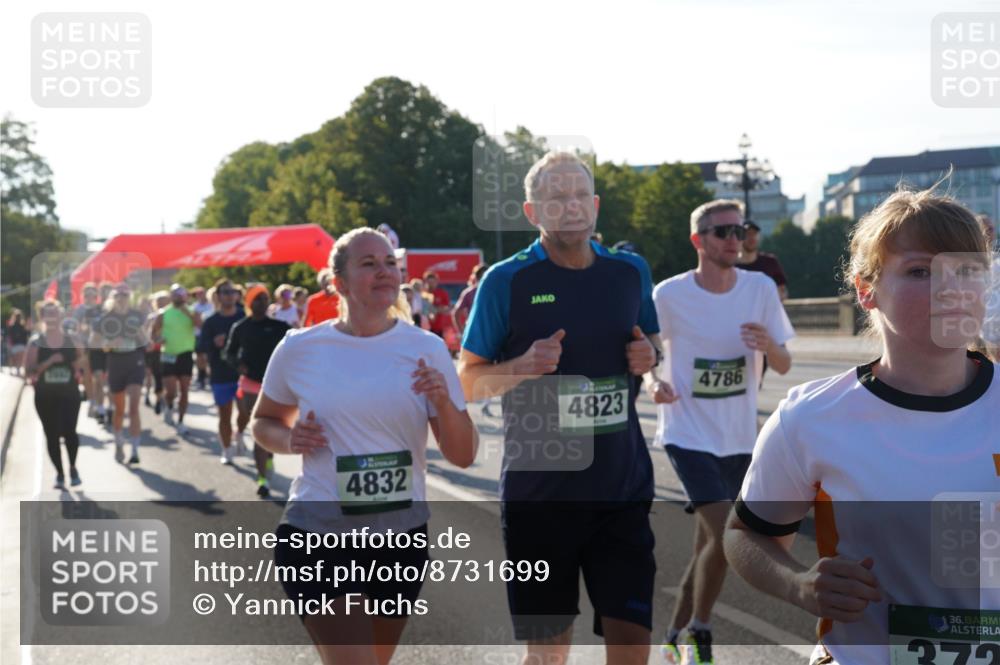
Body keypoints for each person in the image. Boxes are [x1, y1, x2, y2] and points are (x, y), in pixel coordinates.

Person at [725, 187, 998, 665]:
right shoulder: (811, 418)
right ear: (865, 290)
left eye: (967, 270)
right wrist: (799, 584)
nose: (951, 288)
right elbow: (744, 535)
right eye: (919, 271)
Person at [458, 151, 660, 665]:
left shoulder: (630, 271)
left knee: (633, 647)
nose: (569, 206)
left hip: (622, 490)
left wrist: (651, 355)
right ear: (532, 212)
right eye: (555, 197)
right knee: (549, 656)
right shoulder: (507, 281)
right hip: (541, 496)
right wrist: (523, 365)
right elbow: (468, 382)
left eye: (577, 195)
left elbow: (653, 342)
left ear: (594, 205)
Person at [252, 226, 476, 664]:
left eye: (390, 262)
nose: (384, 271)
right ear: (339, 282)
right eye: (369, 263)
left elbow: (463, 454)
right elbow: (263, 423)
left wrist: (444, 405)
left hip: (401, 535)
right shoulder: (300, 348)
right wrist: (290, 438)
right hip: (317, 532)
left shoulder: (426, 349)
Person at [650, 199, 795, 664]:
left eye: (741, 231)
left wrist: (768, 344)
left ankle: (672, 637)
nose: (736, 240)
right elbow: (649, 355)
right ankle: (700, 629)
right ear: (699, 240)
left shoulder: (759, 288)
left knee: (707, 545)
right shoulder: (668, 295)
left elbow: (785, 362)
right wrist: (655, 383)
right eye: (724, 232)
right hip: (687, 432)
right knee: (727, 533)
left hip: (738, 436)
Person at [225, 284, 290, 497]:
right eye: (257, 299)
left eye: (264, 298)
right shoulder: (240, 327)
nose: (261, 303)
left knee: (274, 429)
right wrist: (238, 365)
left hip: (275, 385)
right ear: (249, 303)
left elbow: (293, 352)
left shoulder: (281, 327)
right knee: (260, 431)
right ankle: (262, 479)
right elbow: (228, 353)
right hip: (251, 384)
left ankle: (268, 459)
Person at [24, 300, 84, 488]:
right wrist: (48, 362)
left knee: (70, 432)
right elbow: (28, 371)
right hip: (45, 396)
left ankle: (73, 468)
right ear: (42, 317)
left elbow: (82, 362)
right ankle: (59, 473)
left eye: (54, 314)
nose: (51, 318)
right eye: (47, 314)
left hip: (69, 394)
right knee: (51, 434)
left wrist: (78, 369)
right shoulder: (36, 343)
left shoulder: (72, 340)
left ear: (60, 316)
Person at [93, 284, 149, 464]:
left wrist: (145, 340)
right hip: (115, 363)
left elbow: (144, 339)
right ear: (113, 298)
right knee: (119, 409)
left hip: (134, 362)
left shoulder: (136, 315)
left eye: (125, 295)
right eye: (119, 295)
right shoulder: (106, 319)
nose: (122, 298)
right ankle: (118, 442)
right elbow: (97, 344)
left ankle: (134, 450)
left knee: (133, 406)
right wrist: (110, 344)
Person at [196, 278, 248, 464]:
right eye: (225, 292)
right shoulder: (211, 322)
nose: (229, 295)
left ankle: (240, 433)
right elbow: (201, 347)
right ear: (218, 296)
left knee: (246, 412)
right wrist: (213, 343)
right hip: (220, 373)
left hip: (243, 374)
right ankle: (226, 450)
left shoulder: (244, 317)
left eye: (232, 291)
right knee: (224, 415)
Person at [151, 284, 201, 435]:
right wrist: (160, 339)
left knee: (185, 390)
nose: (178, 298)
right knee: (171, 391)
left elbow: (200, 326)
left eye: (181, 295)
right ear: (171, 296)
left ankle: (181, 421)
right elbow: (153, 334)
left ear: (185, 296)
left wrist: (189, 314)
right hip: (169, 354)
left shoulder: (193, 311)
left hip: (186, 354)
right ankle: (169, 405)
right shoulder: (163, 313)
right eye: (175, 295)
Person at [74, 282, 109, 423]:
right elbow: (75, 328)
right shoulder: (79, 310)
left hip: (98, 347)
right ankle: (92, 400)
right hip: (84, 346)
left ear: (97, 296)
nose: (90, 297)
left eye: (92, 295)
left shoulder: (102, 309)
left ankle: (99, 404)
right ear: (83, 296)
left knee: (99, 377)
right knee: (87, 376)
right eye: (87, 295)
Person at [738, 219, 789, 300]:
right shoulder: (731, 266)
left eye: (754, 233)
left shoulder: (770, 262)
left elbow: (783, 292)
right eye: (748, 234)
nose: (752, 237)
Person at [143, 291, 169, 414]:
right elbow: (146, 333)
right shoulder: (151, 317)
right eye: (159, 302)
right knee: (149, 374)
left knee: (161, 376)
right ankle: (148, 394)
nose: (161, 304)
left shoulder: (171, 315)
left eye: (164, 301)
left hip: (166, 350)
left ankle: (160, 399)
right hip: (152, 350)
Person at [453, 263, 488, 335]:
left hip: (489, 330)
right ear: (476, 277)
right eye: (481, 275)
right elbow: (456, 313)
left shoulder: (494, 292)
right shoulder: (469, 293)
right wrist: (461, 332)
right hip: (473, 331)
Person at [192, 286, 215, 390]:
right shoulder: (194, 306)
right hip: (197, 335)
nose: (200, 295)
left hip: (208, 335)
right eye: (198, 293)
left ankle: (207, 376)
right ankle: (201, 377)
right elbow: (194, 321)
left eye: (202, 292)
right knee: (199, 357)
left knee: (207, 357)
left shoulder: (211, 305)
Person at [423, 272, 453, 339]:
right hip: (424, 328)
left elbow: (447, 309)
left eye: (433, 282)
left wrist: (434, 309)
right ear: (425, 282)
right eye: (429, 282)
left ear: (436, 282)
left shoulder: (442, 293)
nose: (431, 285)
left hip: (438, 328)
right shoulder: (422, 293)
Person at [5, 309, 29, 376]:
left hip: (17, 345)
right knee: (18, 357)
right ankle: (17, 369)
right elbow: (26, 336)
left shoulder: (13, 326)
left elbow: (9, 337)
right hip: (19, 345)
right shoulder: (22, 326)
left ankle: (16, 369)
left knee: (15, 357)